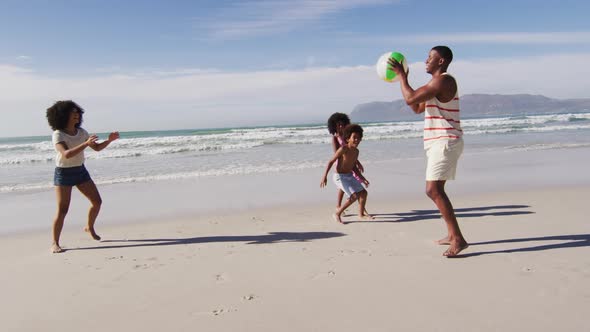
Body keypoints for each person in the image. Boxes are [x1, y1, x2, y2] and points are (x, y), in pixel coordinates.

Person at [388, 46, 468, 257]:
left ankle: (458, 238)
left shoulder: (444, 80)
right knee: (436, 190)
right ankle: (452, 235)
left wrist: (402, 77)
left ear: (441, 61)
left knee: (433, 190)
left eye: (430, 57)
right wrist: (402, 81)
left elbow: (410, 98)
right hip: (439, 142)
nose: (425, 61)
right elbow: (416, 107)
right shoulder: (434, 85)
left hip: (445, 141)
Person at [46, 100, 120, 253]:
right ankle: (55, 243)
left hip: (80, 171)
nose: (77, 115)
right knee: (63, 210)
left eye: (78, 112)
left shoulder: (82, 132)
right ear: (62, 115)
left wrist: (109, 140)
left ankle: (89, 227)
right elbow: (66, 154)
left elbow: (97, 148)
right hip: (63, 173)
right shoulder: (58, 134)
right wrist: (86, 143)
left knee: (97, 202)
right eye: (73, 113)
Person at [320, 124, 373, 224]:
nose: (357, 140)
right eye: (354, 137)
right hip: (339, 177)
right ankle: (337, 214)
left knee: (363, 193)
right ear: (348, 138)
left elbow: (354, 167)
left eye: (359, 138)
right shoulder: (343, 149)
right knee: (354, 196)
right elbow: (331, 161)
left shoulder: (356, 151)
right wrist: (324, 176)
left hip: (349, 176)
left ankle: (361, 214)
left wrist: (362, 178)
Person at [326, 112, 369, 215]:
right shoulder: (335, 138)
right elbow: (337, 152)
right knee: (343, 186)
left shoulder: (348, 135)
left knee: (356, 185)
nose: (340, 126)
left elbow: (352, 151)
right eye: (338, 124)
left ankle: (361, 208)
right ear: (334, 126)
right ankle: (339, 206)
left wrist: (357, 162)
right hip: (341, 162)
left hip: (351, 163)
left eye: (342, 124)